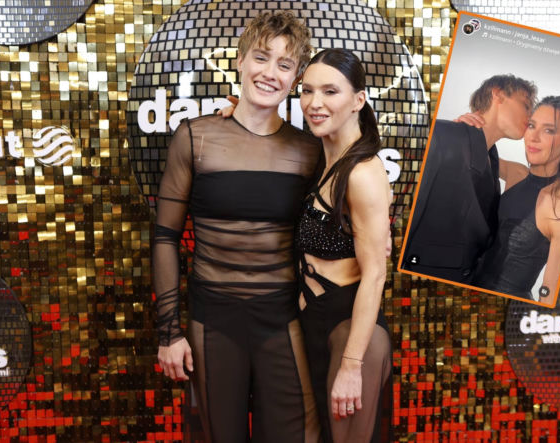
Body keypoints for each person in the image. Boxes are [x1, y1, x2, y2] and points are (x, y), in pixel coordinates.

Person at [153, 11, 322, 442]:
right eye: (261, 58)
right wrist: (169, 332)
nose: (270, 73)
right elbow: (165, 237)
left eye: (284, 64)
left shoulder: (309, 151)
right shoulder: (195, 138)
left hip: (283, 319)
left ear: (295, 78)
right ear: (241, 61)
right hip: (213, 319)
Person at [296, 48, 392, 442]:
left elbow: (375, 274)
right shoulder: (324, 158)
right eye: (306, 91)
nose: (314, 103)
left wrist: (352, 365)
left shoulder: (363, 172)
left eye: (330, 91)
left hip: (351, 330)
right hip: (312, 322)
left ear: (358, 100)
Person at [400, 75, 537, 284]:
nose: (531, 116)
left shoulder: (492, 160)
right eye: (526, 105)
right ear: (498, 94)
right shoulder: (441, 135)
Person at [469, 96, 560, 304]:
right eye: (532, 126)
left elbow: (551, 292)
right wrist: (468, 125)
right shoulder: (517, 174)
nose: (533, 137)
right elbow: (474, 149)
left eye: (549, 130)